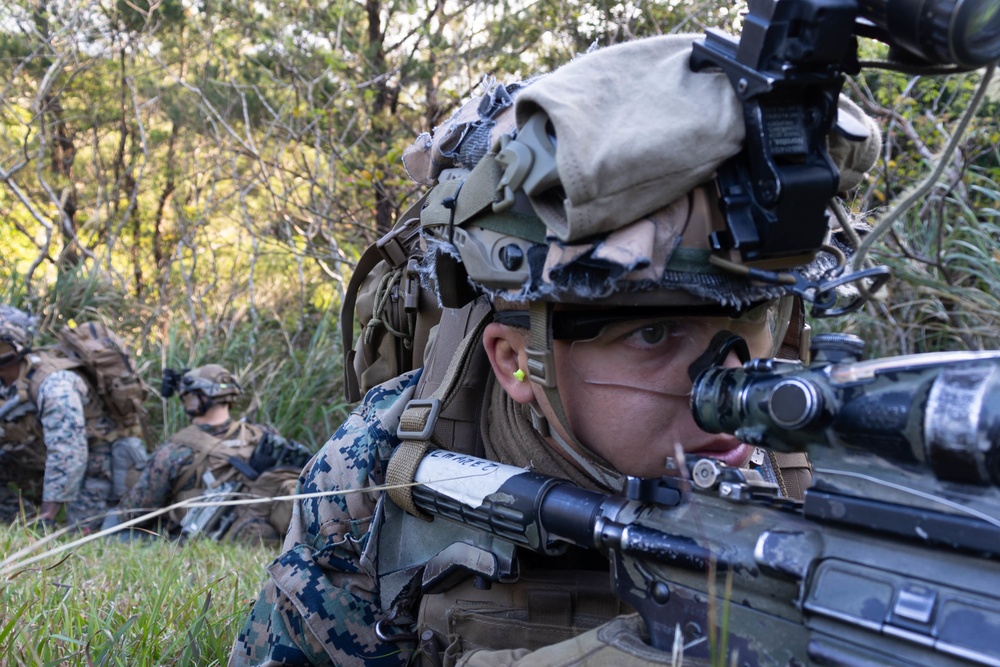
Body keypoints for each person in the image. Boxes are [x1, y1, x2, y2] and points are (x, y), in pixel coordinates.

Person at [230, 34, 881, 666]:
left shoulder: (836, 467)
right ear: (516, 360)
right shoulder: (383, 472)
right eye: (653, 334)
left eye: (756, 317)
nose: (735, 390)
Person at [111, 364, 311, 546]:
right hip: (263, 534)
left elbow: (135, 512)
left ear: (193, 400)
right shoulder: (263, 435)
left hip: (210, 536)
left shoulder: (175, 451)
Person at [0, 305, 148, 531]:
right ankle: (22, 523)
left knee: (80, 532)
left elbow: (69, 451)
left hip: (97, 461)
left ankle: (48, 523)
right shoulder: (7, 383)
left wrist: (48, 515)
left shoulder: (55, 384)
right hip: (43, 458)